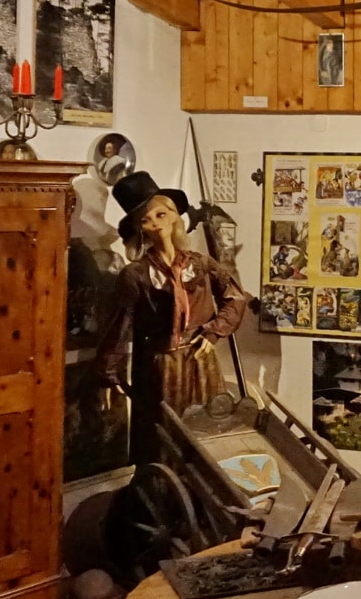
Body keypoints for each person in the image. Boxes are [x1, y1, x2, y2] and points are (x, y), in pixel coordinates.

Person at [98, 171, 250, 464]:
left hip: (201, 362)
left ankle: (204, 487)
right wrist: (107, 374)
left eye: (162, 214)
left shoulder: (201, 264)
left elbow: (235, 297)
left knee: (208, 431)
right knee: (164, 437)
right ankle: (164, 488)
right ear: (140, 228)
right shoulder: (136, 274)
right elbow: (119, 325)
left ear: (175, 217)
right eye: (146, 220)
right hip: (160, 366)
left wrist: (213, 332)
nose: (156, 223)